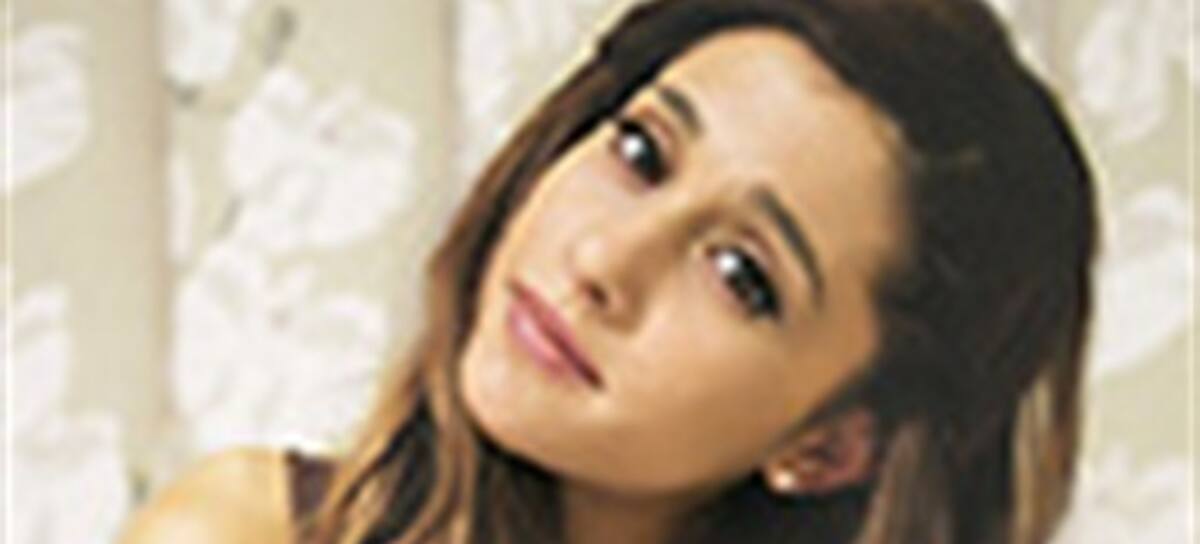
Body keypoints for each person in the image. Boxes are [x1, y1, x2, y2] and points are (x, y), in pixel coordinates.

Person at [121, 0, 1098, 542]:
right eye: (641, 154)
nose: (602, 262)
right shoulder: (236, 530)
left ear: (831, 445)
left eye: (738, 272)